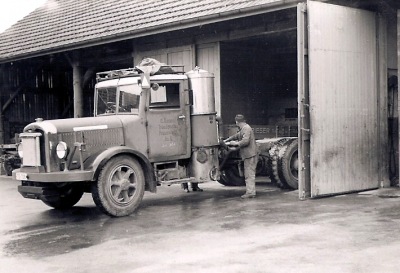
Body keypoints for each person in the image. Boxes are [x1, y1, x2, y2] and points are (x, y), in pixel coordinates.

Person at [224, 114, 258, 198]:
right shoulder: (244, 128)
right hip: (249, 155)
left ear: (237, 122)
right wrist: (227, 140)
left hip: (250, 155)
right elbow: (237, 135)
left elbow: (245, 141)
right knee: (248, 174)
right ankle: (250, 192)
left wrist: (235, 143)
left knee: (249, 174)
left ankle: (251, 193)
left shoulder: (246, 128)